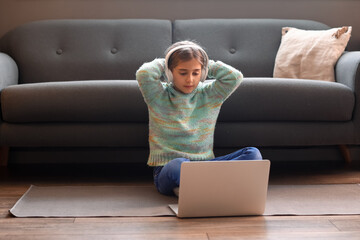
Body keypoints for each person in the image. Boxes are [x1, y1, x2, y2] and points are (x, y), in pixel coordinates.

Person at [136, 40, 262, 196]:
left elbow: (234, 77)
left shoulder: (210, 94)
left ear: (203, 72)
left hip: (205, 166)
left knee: (253, 154)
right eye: (183, 73)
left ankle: (197, 188)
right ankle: (217, 186)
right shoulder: (158, 95)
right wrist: (168, 60)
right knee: (178, 165)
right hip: (168, 169)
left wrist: (206, 64)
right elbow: (144, 74)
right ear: (170, 72)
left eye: (196, 73)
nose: (190, 79)